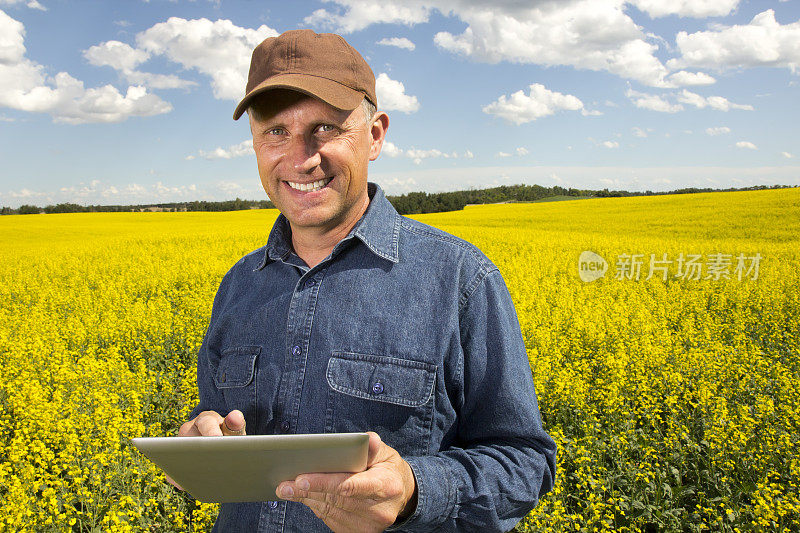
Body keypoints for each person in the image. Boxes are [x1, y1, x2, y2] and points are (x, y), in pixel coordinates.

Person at [175, 29, 557, 532]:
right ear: (254, 142)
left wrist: (414, 490)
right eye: (275, 132)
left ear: (375, 135)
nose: (301, 158)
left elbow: (525, 462)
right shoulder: (239, 285)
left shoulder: (459, 279)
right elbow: (215, 419)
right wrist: (201, 441)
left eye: (326, 128)